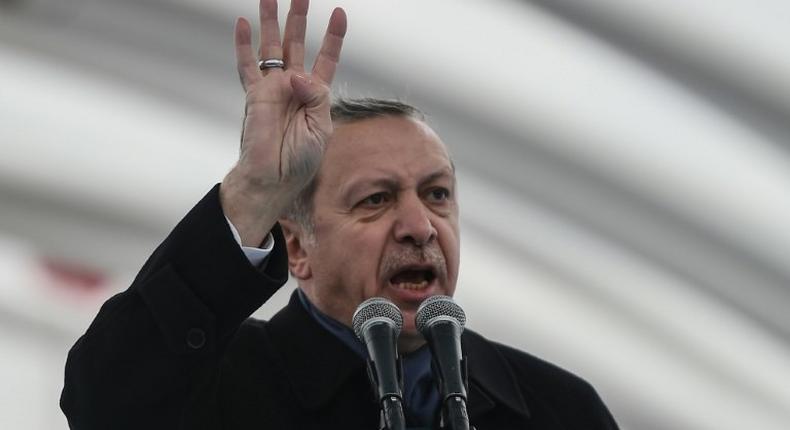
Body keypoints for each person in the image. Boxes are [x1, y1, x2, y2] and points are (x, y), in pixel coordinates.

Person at [60, 0, 619, 429]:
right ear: (298, 248)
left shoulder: (559, 408)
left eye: (437, 194)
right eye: (375, 199)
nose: (420, 226)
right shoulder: (221, 389)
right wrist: (256, 190)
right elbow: (103, 404)